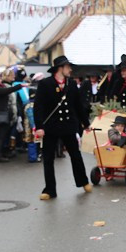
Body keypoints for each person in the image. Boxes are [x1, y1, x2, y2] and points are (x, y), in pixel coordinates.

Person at [33, 55, 91, 200]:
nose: (70, 70)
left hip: (68, 125)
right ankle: (50, 190)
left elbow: (78, 106)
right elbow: (38, 107)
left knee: (75, 155)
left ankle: (83, 181)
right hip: (51, 127)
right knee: (48, 159)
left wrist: (86, 123)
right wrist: (39, 126)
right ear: (60, 68)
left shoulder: (71, 84)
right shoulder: (45, 84)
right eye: (68, 67)